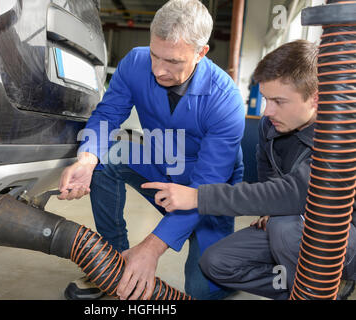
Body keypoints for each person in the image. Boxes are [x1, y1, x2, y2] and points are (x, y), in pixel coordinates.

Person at [57, 0, 245, 300]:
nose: (158, 69)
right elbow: (108, 115)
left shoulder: (226, 101)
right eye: (155, 55)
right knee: (106, 158)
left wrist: (151, 249)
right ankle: (116, 263)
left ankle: (232, 259)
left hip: (209, 191)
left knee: (204, 290)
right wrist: (87, 159)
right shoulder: (136, 63)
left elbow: (206, 186)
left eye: (173, 62)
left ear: (201, 53)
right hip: (162, 165)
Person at [142, 39, 356, 299]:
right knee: (216, 262)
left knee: (285, 228)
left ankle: (323, 288)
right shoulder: (272, 126)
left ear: (316, 99)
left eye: (279, 101)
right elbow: (268, 172)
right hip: (295, 224)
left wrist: (198, 196)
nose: (267, 111)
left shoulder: (341, 138)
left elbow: (295, 192)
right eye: (266, 99)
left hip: (343, 235)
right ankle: (295, 289)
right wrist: (268, 210)